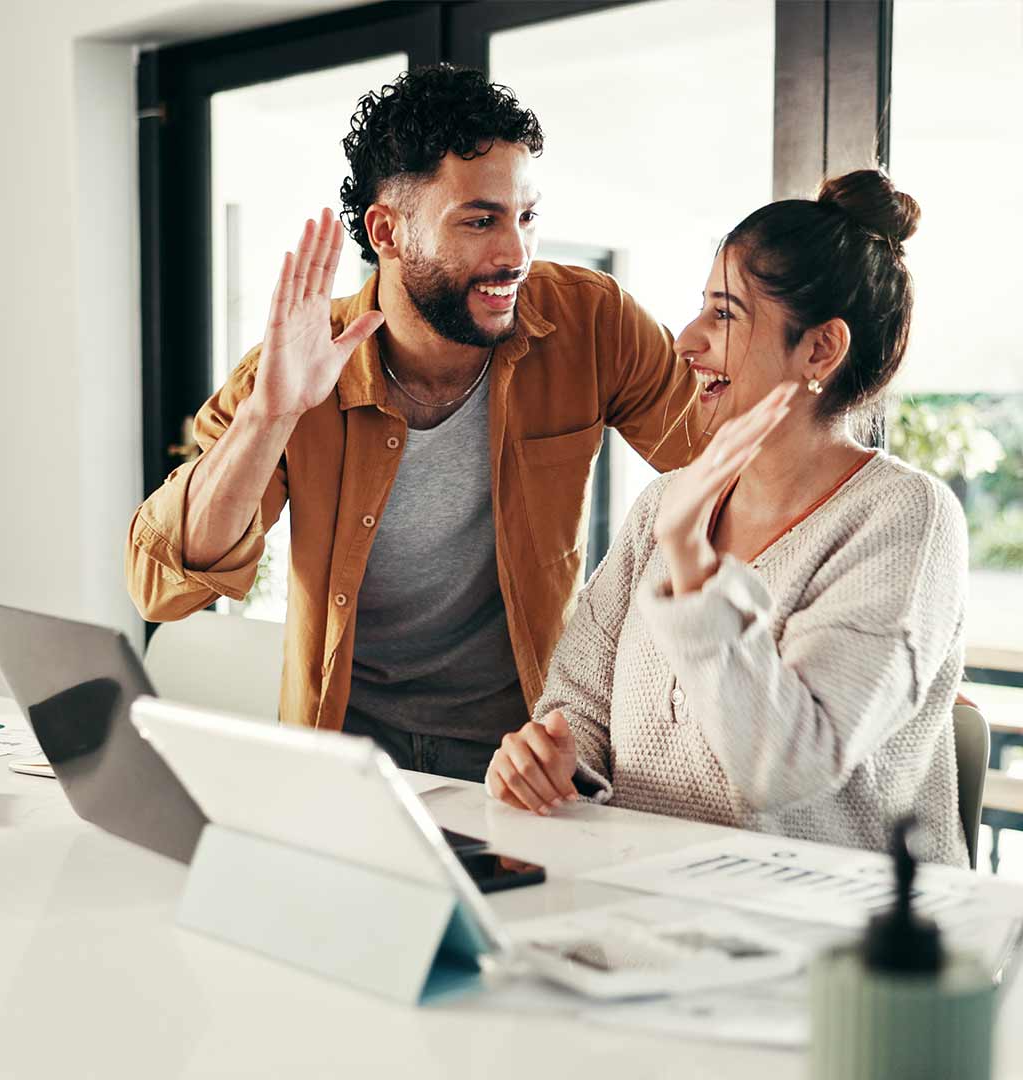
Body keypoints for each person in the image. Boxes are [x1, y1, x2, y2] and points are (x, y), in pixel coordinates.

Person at [125, 65, 708, 781]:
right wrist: (269, 417)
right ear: (387, 231)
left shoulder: (592, 322)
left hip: (525, 757)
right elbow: (162, 584)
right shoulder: (296, 366)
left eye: (526, 217)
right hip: (349, 760)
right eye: (480, 220)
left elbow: (721, 470)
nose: (516, 255)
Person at [485, 170, 970, 866]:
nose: (686, 341)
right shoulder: (666, 502)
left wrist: (691, 561)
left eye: (724, 314)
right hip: (649, 908)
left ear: (820, 350)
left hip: (834, 951)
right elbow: (576, 707)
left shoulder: (906, 520)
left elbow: (786, 766)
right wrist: (550, 762)